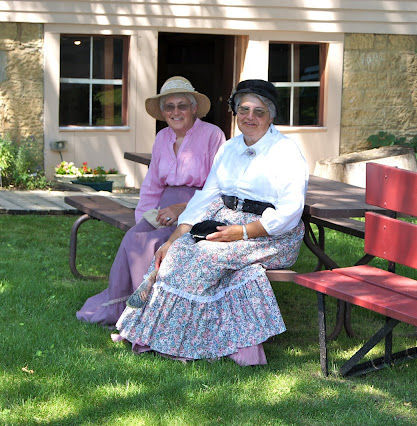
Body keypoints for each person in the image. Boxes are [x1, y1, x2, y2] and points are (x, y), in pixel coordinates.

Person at [114, 79, 308, 366]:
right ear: (235, 112)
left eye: (259, 111)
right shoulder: (229, 148)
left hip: (271, 234)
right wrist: (173, 240)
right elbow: (205, 198)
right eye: (243, 110)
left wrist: (242, 232)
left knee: (205, 257)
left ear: (271, 115)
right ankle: (149, 332)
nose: (250, 117)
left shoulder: (285, 151)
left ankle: (181, 342)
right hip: (228, 221)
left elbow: (290, 211)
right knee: (177, 253)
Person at [76, 76, 226, 325]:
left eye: (182, 105)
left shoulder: (213, 135)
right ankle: (127, 306)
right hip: (163, 208)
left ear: (194, 108)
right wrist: (143, 219)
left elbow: (218, 186)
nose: (176, 112)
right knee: (133, 237)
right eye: (169, 107)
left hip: (199, 209)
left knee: (153, 242)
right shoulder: (162, 137)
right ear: (163, 112)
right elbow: (152, 184)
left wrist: (182, 208)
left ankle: (155, 311)